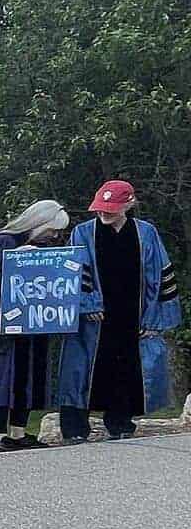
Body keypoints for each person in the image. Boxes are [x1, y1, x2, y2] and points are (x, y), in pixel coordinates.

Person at [56, 181, 181, 442]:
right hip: (93, 320)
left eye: (111, 208)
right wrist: (88, 304)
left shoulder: (146, 233)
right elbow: (73, 272)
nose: (104, 213)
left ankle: (120, 423)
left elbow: (160, 276)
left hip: (131, 315)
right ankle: (75, 429)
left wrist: (154, 319)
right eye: (101, 208)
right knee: (79, 371)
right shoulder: (83, 233)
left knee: (126, 368)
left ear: (129, 204)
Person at [0, 200, 69, 451]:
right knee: (2, 381)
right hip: (1, 325)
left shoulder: (43, 246)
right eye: (52, 229)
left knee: (28, 379)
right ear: (39, 222)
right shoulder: (3, 241)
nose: (54, 236)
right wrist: (15, 262)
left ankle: (18, 432)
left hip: (32, 324)